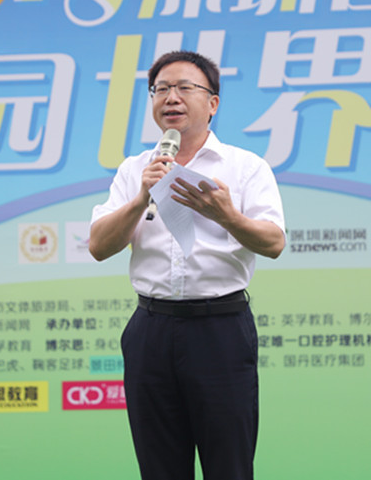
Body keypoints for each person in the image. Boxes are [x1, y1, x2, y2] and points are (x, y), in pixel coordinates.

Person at [89, 50, 286, 480]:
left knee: (229, 466)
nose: (171, 98)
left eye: (184, 88)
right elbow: (99, 246)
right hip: (151, 330)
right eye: (161, 89)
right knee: (159, 468)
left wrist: (226, 216)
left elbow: (274, 242)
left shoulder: (245, 167)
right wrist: (141, 198)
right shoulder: (135, 169)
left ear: (212, 103)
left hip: (220, 330)